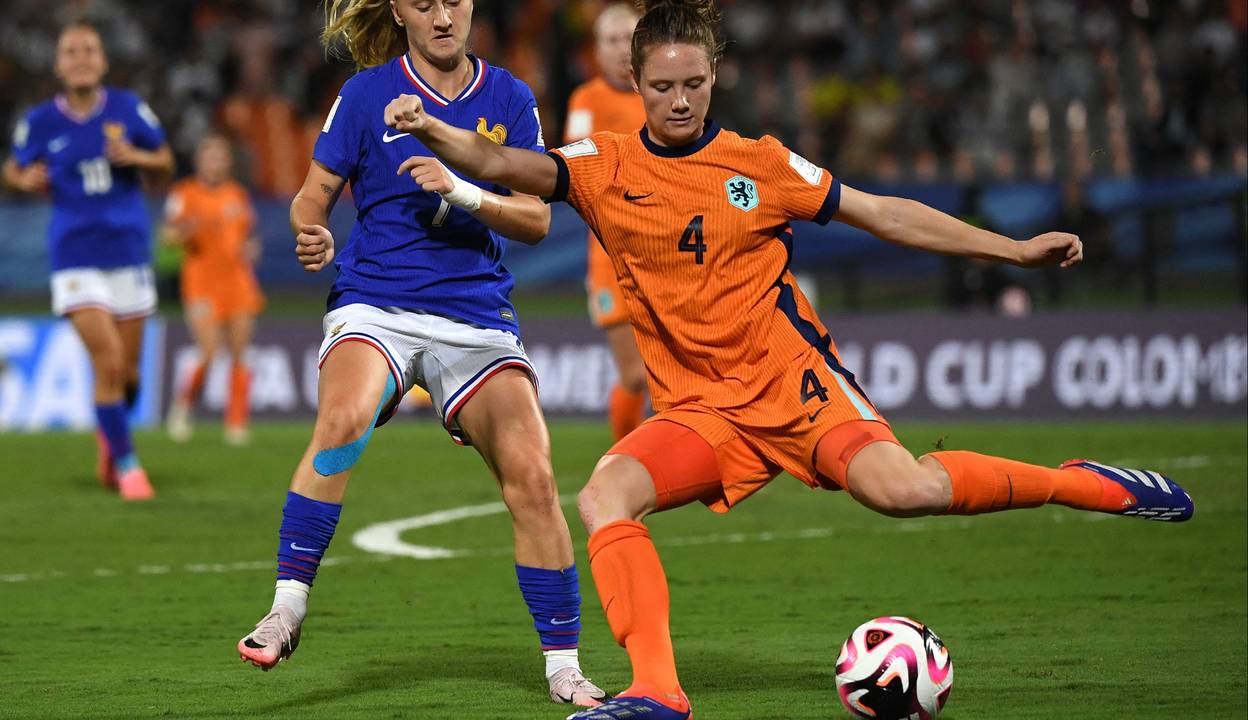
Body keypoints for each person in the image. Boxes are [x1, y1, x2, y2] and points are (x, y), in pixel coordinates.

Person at [385, 1, 1197, 717]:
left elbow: (883, 213)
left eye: (694, 83)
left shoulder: (760, 163)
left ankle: (1083, 483)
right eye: (662, 85)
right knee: (605, 498)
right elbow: (498, 165)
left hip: (796, 388)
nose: (679, 100)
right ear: (634, 80)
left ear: (715, 77)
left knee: (905, 489)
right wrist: (433, 129)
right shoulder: (603, 167)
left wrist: (1012, 251)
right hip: (703, 413)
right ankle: (658, 693)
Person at [234, 0, 606, 708]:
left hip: (475, 315)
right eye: (425, 2)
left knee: (533, 476)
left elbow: (534, 219)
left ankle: (564, 666)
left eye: (456, 0)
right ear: (399, 12)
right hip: (378, 304)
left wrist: (464, 192)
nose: (444, 15)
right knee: (342, 421)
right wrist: (312, 231)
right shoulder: (366, 94)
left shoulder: (509, 97)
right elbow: (311, 198)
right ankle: (287, 606)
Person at [2, 20, 174, 502]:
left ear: (102, 60)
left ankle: (110, 436)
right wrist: (24, 179)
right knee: (109, 361)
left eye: (89, 49)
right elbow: (12, 168)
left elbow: (165, 159)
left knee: (130, 375)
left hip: (128, 254)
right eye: (71, 51)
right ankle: (129, 467)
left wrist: (136, 158)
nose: (80, 57)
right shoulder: (40, 121)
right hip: (76, 257)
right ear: (58, 64)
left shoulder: (127, 108)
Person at [566, 3, 650, 441]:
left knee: (669, 374)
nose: (621, 49)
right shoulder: (586, 101)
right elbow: (578, 169)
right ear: (597, 50)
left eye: (628, 39)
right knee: (635, 376)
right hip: (611, 258)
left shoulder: (660, 97)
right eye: (612, 40)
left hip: (663, 254)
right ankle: (625, 458)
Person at [163, 134, 264, 446]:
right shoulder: (184, 194)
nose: (214, 163)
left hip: (238, 282)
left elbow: (248, 237)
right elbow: (166, 236)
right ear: (198, 161)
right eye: (209, 157)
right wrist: (183, 232)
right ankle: (183, 406)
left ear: (228, 162)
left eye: (220, 157)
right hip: (201, 284)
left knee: (239, 354)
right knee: (208, 352)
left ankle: (236, 424)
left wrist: (251, 249)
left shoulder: (238, 195)